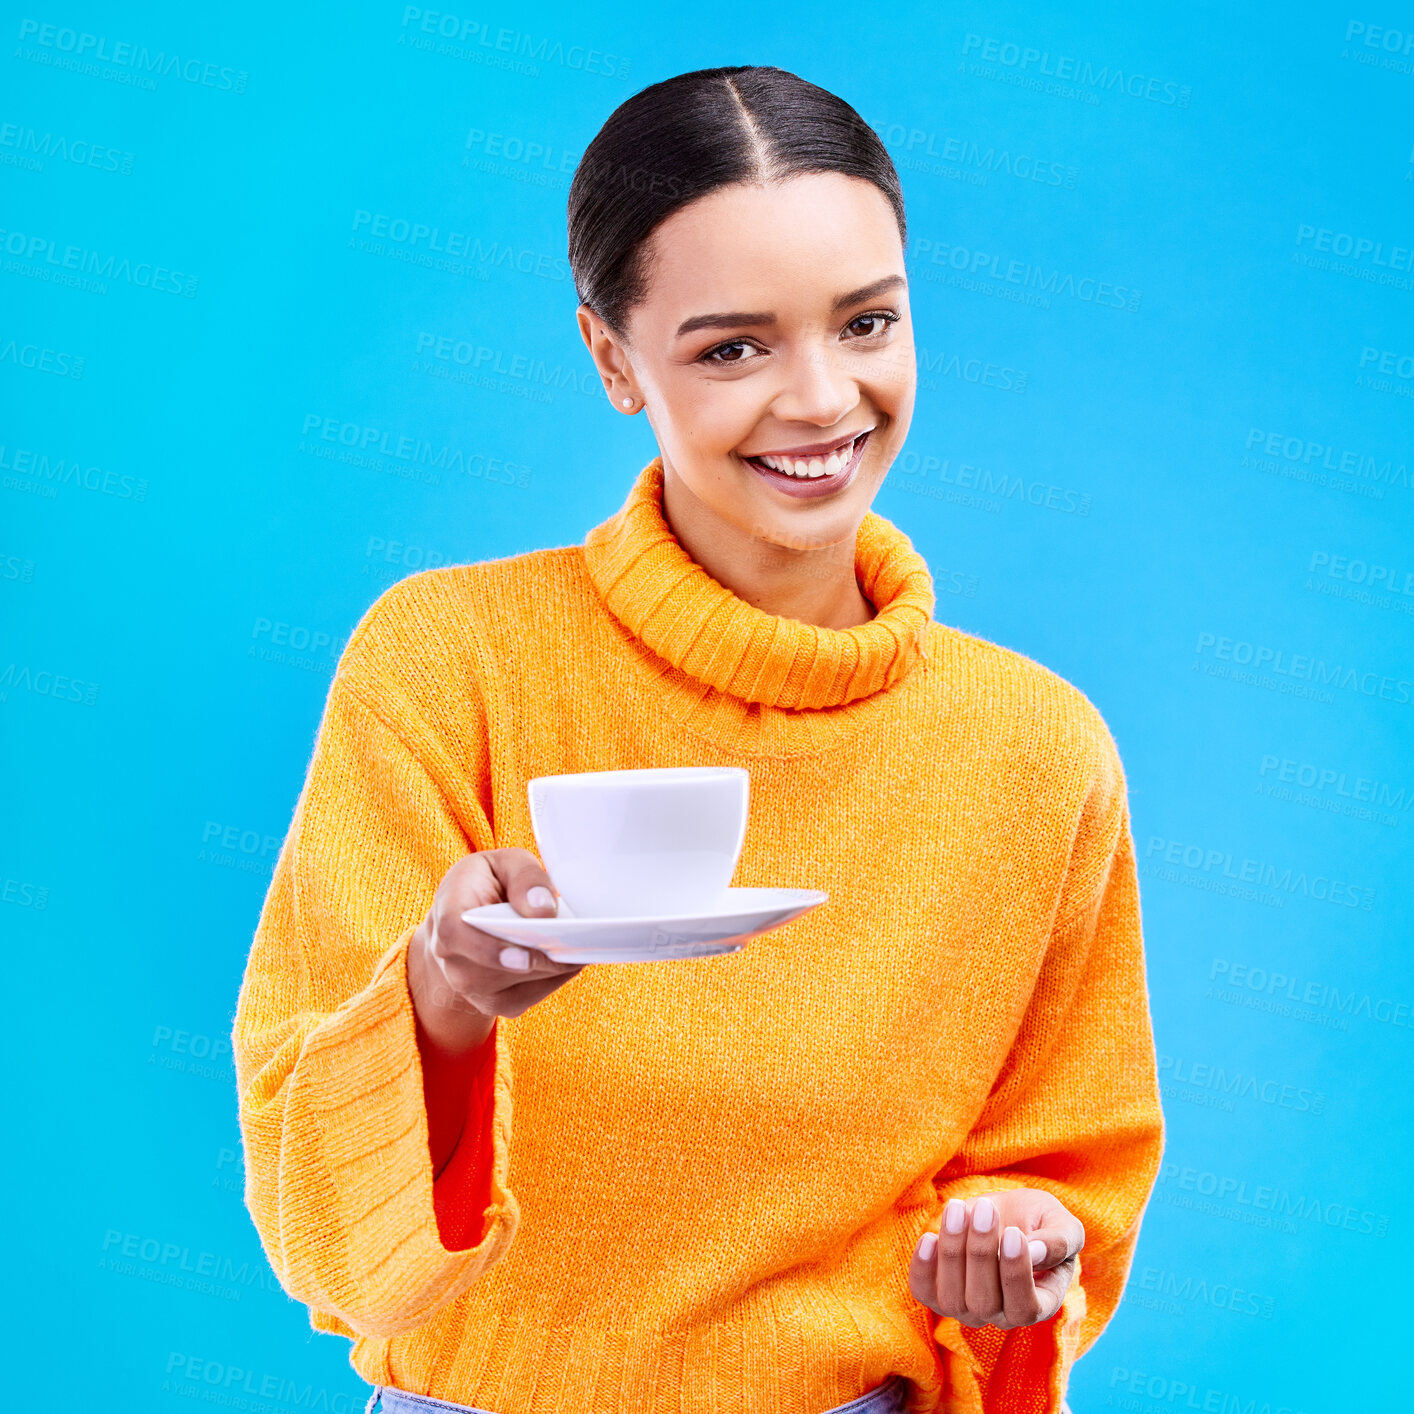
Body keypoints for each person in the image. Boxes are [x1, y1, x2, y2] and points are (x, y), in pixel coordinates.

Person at [232, 64, 1164, 1414]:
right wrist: (440, 991)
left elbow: (1063, 1192)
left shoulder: (1034, 748)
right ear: (613, 360)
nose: (819, 400)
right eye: (732, 346)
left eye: (866, 323)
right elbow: (319, 1228)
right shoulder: (448, 661)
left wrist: (1018, 1258)